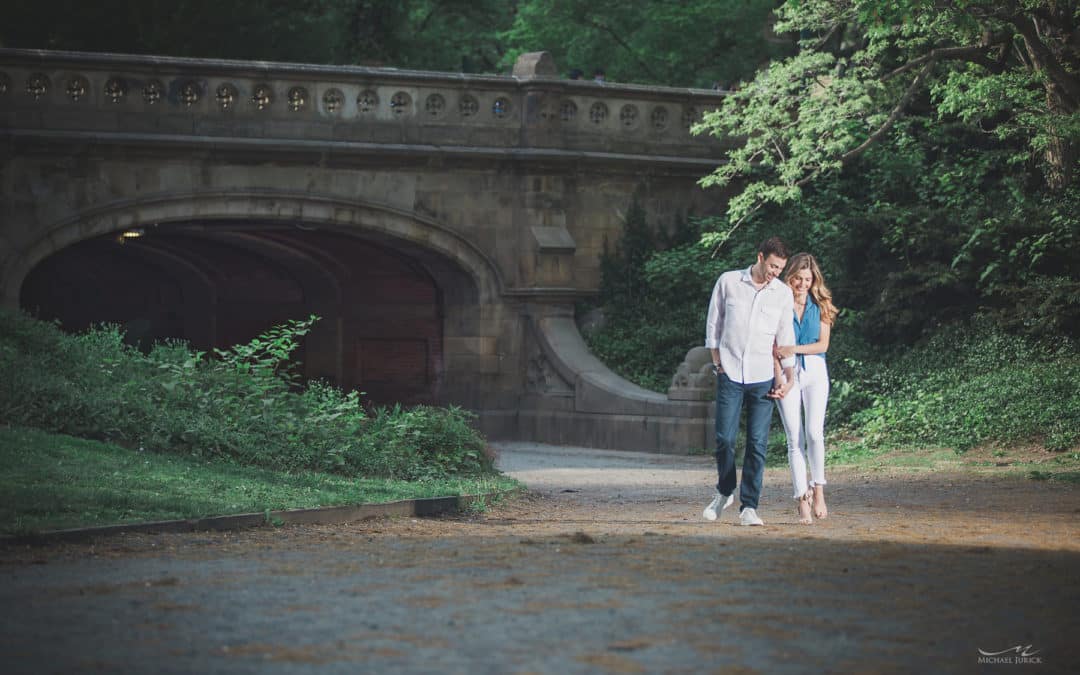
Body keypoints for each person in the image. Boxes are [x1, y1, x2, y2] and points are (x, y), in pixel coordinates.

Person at [702, 237, 796, 526]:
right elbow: (714, 324)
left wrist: (789, 375)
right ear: (759, 257)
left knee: (757, 443)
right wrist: (717, 363)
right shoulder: (729, 282)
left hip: (763, 376)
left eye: (779, 268)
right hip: (730, 370)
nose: (775, 272)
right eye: (771, 266)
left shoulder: (782, 293)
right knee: (725, 439)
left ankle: (749, 507)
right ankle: (725, 491)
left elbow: (785, 335)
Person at [771, 253, 837, 524]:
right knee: (794, 438)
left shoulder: (822, 304)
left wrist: (793, 348)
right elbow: (771, 348)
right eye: (797, 278)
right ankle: (802, 499)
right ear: (790, 277)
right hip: (785, 372)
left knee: (813, 433)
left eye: (807, 279)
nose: (802, 283)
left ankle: (818, 490)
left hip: (815, 371)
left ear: (813, 281)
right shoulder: (776, 304)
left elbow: (823, 345)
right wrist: (779, 379)